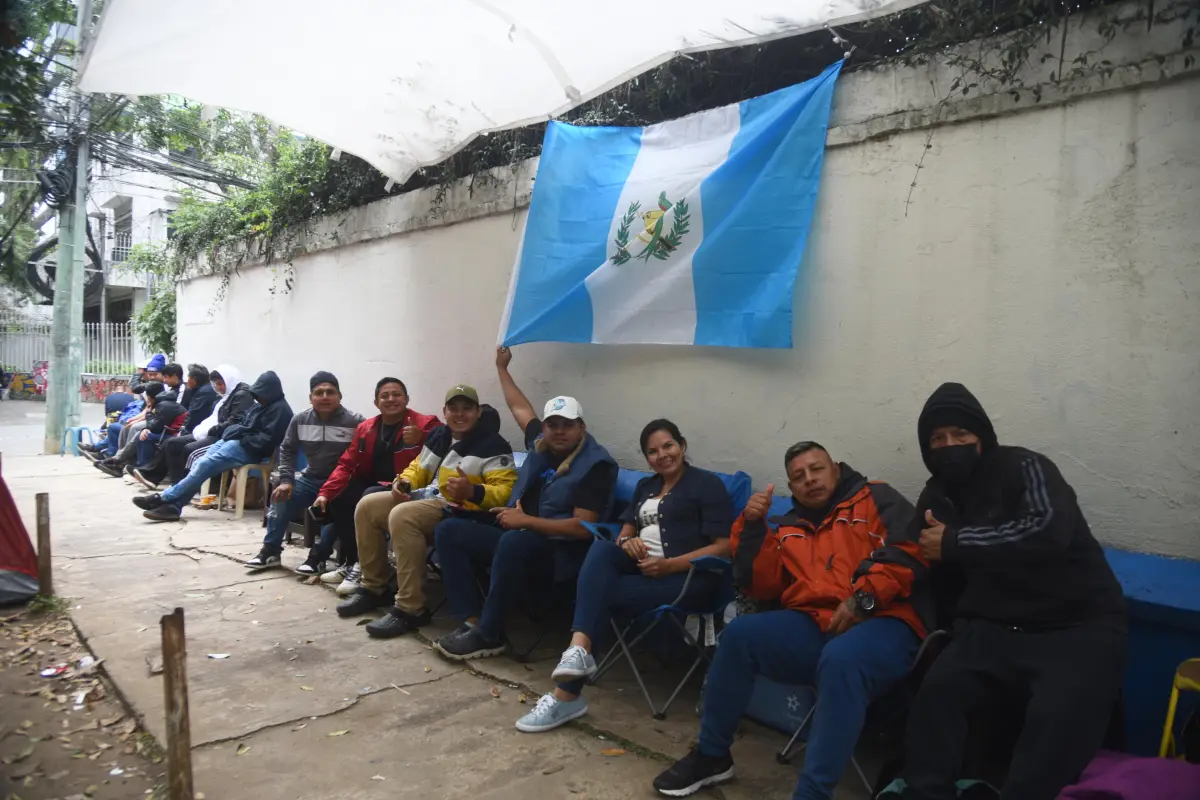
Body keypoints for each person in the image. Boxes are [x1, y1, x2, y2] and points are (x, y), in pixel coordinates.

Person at [652, 441, 926, 800]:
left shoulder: (875, 497)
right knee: (740, 635)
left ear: (836, 469)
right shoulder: (786, 526)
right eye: (798, 477)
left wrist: (864, 598)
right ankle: (712, 754)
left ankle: (812, 793)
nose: (809, 480)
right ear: (790, 487)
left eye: (817, 469)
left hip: (885, 622)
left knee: (841, 659)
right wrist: (751, 528)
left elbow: (910, 552)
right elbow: (761, 585)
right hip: (817, 624)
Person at [898, 384, 1127, 800]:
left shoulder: (1026, 467)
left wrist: (955, 542)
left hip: (1079, 626)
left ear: (981, 435)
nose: (950, 445)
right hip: (998, 626)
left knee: (1053, 726)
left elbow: (1047, 531)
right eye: (937, 439)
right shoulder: (937, 496)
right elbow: (929, 568)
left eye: (960, 434)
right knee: (937, 691)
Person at [516, 418, 732, 733]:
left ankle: (567, 695)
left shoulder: (706, 485)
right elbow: (628, 524)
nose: (662, 455)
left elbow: (723, 547)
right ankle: (578, 651)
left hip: (685, 579)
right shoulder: (648, 486)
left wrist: (669, 565)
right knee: (603, 551)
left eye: (668, 446)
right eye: (653, 451)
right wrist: (627, 540)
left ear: (682, 446)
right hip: (641, 569)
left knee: (598, 595)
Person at [431, 345, 617, 661]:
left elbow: (583, 529)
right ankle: (471, 620)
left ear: (581, 427)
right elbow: (520, 408)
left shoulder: (596, 465)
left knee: (514, 541)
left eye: (567, 425)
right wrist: (502, 367)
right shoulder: (540, 443)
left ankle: (489, 635)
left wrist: (525, 521)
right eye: (552, 424)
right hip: (519, 535)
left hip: (560, 553)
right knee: (449, 530)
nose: (558, 431)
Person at [335, 384, 516, 639]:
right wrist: (403, 482)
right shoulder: (439, 436)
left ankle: (411, 607)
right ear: (445, 411)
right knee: (367, 506)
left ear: (477, 413)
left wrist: (473, 491)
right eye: (454, 409)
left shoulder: (493, 445)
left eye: (467, 409)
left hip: (462, 509)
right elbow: (417, 468)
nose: (460, 414)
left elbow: (506, 491)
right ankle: (375, 587)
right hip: (427, 499)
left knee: (403, 515)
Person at [311, 377, 441, 590]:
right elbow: (346, 464)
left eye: (397, 394)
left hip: (409, 489)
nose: (391, 399)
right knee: (341, 497)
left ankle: (366, 567)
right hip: (377, 485)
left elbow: (446, 445)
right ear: (376, 403)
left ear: (407, 399)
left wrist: (422, 438)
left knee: (368, 496)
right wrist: (325, 493)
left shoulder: (426, 424)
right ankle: (353, 561)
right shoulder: (366, 428)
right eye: (385, 396)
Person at [243, 371, 364, 573]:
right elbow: (287, 450)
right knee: (281, 496)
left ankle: (318, 557)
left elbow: (362, 455)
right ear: (311, 398)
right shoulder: (300, 419)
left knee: (339, 506)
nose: (325, 397)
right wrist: (286, 480)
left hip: (341, 483)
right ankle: (270, 551)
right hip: (311, 478)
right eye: (319, 392)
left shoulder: (356, 422)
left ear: (339, 396)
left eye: (330, 392)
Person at [133, 371, 292, 522]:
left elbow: (265, 440)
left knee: (204, 464)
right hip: (238, 442)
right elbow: (243, 424)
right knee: (199, 463)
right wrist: (238, 432)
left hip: (250, 450)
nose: (259, 398)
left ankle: (164, 498)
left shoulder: (280, 410)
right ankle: (173, 506)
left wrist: (241, 435)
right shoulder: (261, 406)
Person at [130, 366, 251, 490]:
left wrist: (211, 429)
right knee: (171, 443)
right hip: (211, 432)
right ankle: (166, 481)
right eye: (217, 384)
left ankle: (187, 488)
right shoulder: (226, 395)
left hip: (222, 436)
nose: (219, 387)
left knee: (188, 448)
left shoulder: (241, 395)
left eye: (221, 384)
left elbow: (233, 421)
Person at [94, 382, 186, 477]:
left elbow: (155, 425)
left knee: (141, 434)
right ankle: (119, 460)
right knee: (136, 431)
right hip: (167, 431)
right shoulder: (164, 404)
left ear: (151, 397)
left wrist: (149, 415)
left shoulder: (164, 406)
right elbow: (156, 423)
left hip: (173, 434)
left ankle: (122, 462)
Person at [180, 364, 219, 436]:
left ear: (194, 380)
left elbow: (194, 415)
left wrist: (183, 431)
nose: (187, 381)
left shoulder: (204, 392)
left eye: (188, 378)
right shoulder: (206, 388)